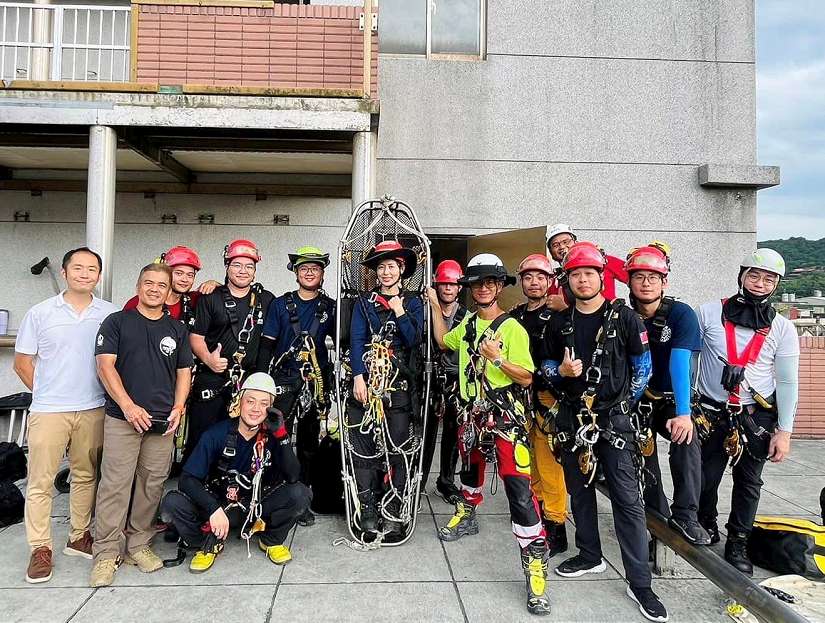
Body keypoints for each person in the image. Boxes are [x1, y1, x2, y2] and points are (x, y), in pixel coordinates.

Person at [541, 242, 668, 622]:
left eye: (589, 273)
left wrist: (620, 407)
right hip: (572, 419)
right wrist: (560, 372)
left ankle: (640, 583)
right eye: (575, 274)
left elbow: (643, 368)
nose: (582, 280)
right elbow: (545, 366)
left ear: (601, 277)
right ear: (567, 280)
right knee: (579, 491)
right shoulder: (559, 323)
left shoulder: (624, 318)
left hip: (614, 421)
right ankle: (589, 554)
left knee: (627, 500)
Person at [429, 253, 551, 616]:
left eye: (490, 283)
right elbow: (443, 341)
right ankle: (467, 513)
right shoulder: (467, 325)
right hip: (471, 415)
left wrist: (497, 359)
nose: (483, 288)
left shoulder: (512, 329)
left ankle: (534, 564)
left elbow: (527, 377)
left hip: (505, 419)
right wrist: (435, 305)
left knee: (518, 489)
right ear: (469, 288)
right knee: (470, 470)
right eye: (476, 283)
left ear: (499, 287)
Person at [14, 247, 118, 584]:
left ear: (98, 276)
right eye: (78, 268)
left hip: (93, 406)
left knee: (85, 475)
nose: (84, 274)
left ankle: (79, 535)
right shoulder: (41, 313)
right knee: (40, 481)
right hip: (49, 411)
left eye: (91, 269)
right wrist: (47, 392)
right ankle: (40, 547)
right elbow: (22, 363)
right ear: (65, 272)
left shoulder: (109, 314)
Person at [696, 249, 799, 576]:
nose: (759, 283)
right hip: (712, 411)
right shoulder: (709, 313)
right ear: (741, 275)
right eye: (753, 275)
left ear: (776, 285)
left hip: (756, 415)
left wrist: (784, 431)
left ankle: (738, 540)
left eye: (769, 279)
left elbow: (787, 381)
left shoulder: (782, 328)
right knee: (704, 476)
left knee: (749, 482)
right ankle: (705, 521)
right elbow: (691, 359)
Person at [90, 263, 192, 587]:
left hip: (162, 423)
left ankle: (138, 545)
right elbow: (105, 367)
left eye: (161, 285)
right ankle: (106, 553)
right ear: (138, 286)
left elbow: (184, 372)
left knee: (151, 485)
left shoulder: (177, 329)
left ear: (169, 291)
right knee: (115, 485)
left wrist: (178, 408)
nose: (154, 289)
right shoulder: (117, 322)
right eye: (148, 283)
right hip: (123, 419)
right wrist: (128, 406)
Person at [160, 373, 312, 572]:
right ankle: (207, 543)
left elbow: (293, 476)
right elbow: (187, 480)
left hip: (256, 507)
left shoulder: (273, 436)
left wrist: (282, 436)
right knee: (172, 503)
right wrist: (213, 508)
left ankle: (271, 540)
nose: (256, 409)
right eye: (250, 401)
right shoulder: (216, 434)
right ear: (240, 402)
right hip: (220, 507)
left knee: (301, 494)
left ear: (271, 408)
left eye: (263, 403)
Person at [625, 244, 710, 545]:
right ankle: (656, 521)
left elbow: (680, 363)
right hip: (637, 401)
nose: (646, 283)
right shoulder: (623, 316)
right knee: (643, 458)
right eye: (639, 277)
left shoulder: (680, 314)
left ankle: (686, 514)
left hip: (671, 398)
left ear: (665, 282)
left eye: (653, 277)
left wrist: (684, 414)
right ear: (629, 282)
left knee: (687, 439)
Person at [347, 240, 424, 539]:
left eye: (392, 266)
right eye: (381, 267)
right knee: (364, 447)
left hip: (399, 385)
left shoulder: (413, 302)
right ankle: (367, 508)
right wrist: (358, 377)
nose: (386, 272)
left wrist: (400, 310)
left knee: (398, 448)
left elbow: (413, 340)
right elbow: (356, 340)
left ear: (401, 269)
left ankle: (393, 507)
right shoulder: (364, 304)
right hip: (368, 383)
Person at [259, 246, 335, 527]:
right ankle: (274, 492)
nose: (309, 272)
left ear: (322, 273)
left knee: (308, 444)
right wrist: (261, 384)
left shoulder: (331, 308)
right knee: (277, 439)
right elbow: (266, 346)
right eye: (304, 268)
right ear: (296, 273)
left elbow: (345, 340)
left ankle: (302, 499)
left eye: (315, 268)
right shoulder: (280, 305)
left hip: (315, 382)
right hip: (283, 380)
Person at [186, 240, 274, 465]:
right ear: (227, 267)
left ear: (255, 271)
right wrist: (208, 359)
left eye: (249, 266)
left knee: (241, 438)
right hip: (212, 379)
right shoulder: (210, 297)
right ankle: (194, 481)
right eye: (237, 265)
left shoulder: (266, 300)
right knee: (202, 436)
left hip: (247, 381)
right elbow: (196, 337)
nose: (243, 271)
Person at [510, 253, 569, 558]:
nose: (534, 282)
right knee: (528, 461)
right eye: (528, 277)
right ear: (521, 281)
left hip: (548, 399)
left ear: (550, 281)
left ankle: (556, 526)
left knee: (550, 466)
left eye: (540, 277)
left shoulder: (560, 317)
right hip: (522, 397)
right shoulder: (516, 316)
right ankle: (539, 515)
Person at [420, 260, 466, 504]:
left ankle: (446, 481)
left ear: (460, 287)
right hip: (429, 378)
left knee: (452, 433)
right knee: (425, 433)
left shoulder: (466, 316)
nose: (448, 288)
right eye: (444, 284)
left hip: (455, 379)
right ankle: (418, 480)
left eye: (452, 284)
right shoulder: (424, 312)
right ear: (436, 286)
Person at [123, 246, 216, 328]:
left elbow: (223, 293)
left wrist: (213, 283)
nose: (185, 279)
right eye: (179, 273)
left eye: (190, 275)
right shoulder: (139, 302)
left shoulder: (194, 299)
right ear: (166, 274)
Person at [545, 224, 628, 311]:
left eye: (566, 242)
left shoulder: (604, 261)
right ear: (551, 252)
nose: (562, 247)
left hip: (610, 317)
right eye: (555, 245)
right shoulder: (555, 280)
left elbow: (634, 277)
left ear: (576, 242)